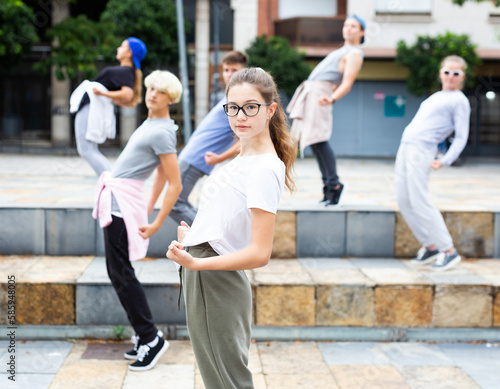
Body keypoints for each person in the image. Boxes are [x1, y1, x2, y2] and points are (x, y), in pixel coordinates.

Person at [166, 68, 297, 389]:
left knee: (229, 382)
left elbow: (259, 253)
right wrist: (193, 237)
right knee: (218, 379)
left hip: (217, 282)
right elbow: (225, 218)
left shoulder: (265, 167)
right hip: (204, 272)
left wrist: (197, 262)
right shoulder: (241, 156)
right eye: (233, 107)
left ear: (270, 110)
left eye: (251, 106)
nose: (240, 115)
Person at [92, 70, 183, 371]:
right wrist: (147, 206)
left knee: (121, 273)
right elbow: (158, 172)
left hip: (120, 205)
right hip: (120, 201)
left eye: (160, 91)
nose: (152, 94)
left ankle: (150, 338)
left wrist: (156, 221)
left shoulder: (161, 131)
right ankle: (146, 336)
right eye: (150, 88)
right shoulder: (153, 124)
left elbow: (175, 183)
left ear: (171, 98)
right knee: (118, 272)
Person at [396, 55, 471, 272]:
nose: (450, 76)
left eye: (455, 73)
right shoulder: (436, 96)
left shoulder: (460, 100)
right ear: (441, 73)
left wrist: (445, 160)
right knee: (404, 200)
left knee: (420, 201)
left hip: (422, 150)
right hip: (406, 146)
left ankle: (448, 251)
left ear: (462, 76)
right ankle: (430, 246)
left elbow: (461, 136)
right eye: (447, 72)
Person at [287, 15, 365, 206]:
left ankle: (334, 185)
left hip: (321, 95)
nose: (348, 29)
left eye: (353, 26)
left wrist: (331, 98)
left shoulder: (355, 53)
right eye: (346, 25)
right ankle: (329, 185)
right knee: (314, 142)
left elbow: (347, 83)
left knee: (318, 139)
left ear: (362, 32)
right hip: (312, 92)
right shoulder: (343, 50)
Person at [168, 51, 248, 225]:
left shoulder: (239, 101)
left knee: (175, 205)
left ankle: (209, 241)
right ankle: (207, 239)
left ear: (244, 72)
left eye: (234, 70)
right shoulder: (228, 97)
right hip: (191, 156)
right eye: (226, 70)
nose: (229, 74)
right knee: (180, 203)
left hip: (195, 159)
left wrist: (219, 158)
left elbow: (244, 140)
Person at [70, 37, 147, 176]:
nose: (118, 48)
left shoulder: (125, 71)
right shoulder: (127, 71)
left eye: (122, 46)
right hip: (92, 108)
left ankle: (111, 183)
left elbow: (127, 95)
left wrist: (102, 93)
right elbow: (126, 99)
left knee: (86, 150)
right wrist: (105, 95)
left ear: (130, 53)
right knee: (90, 150)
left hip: (90, 108)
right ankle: (111, 182)